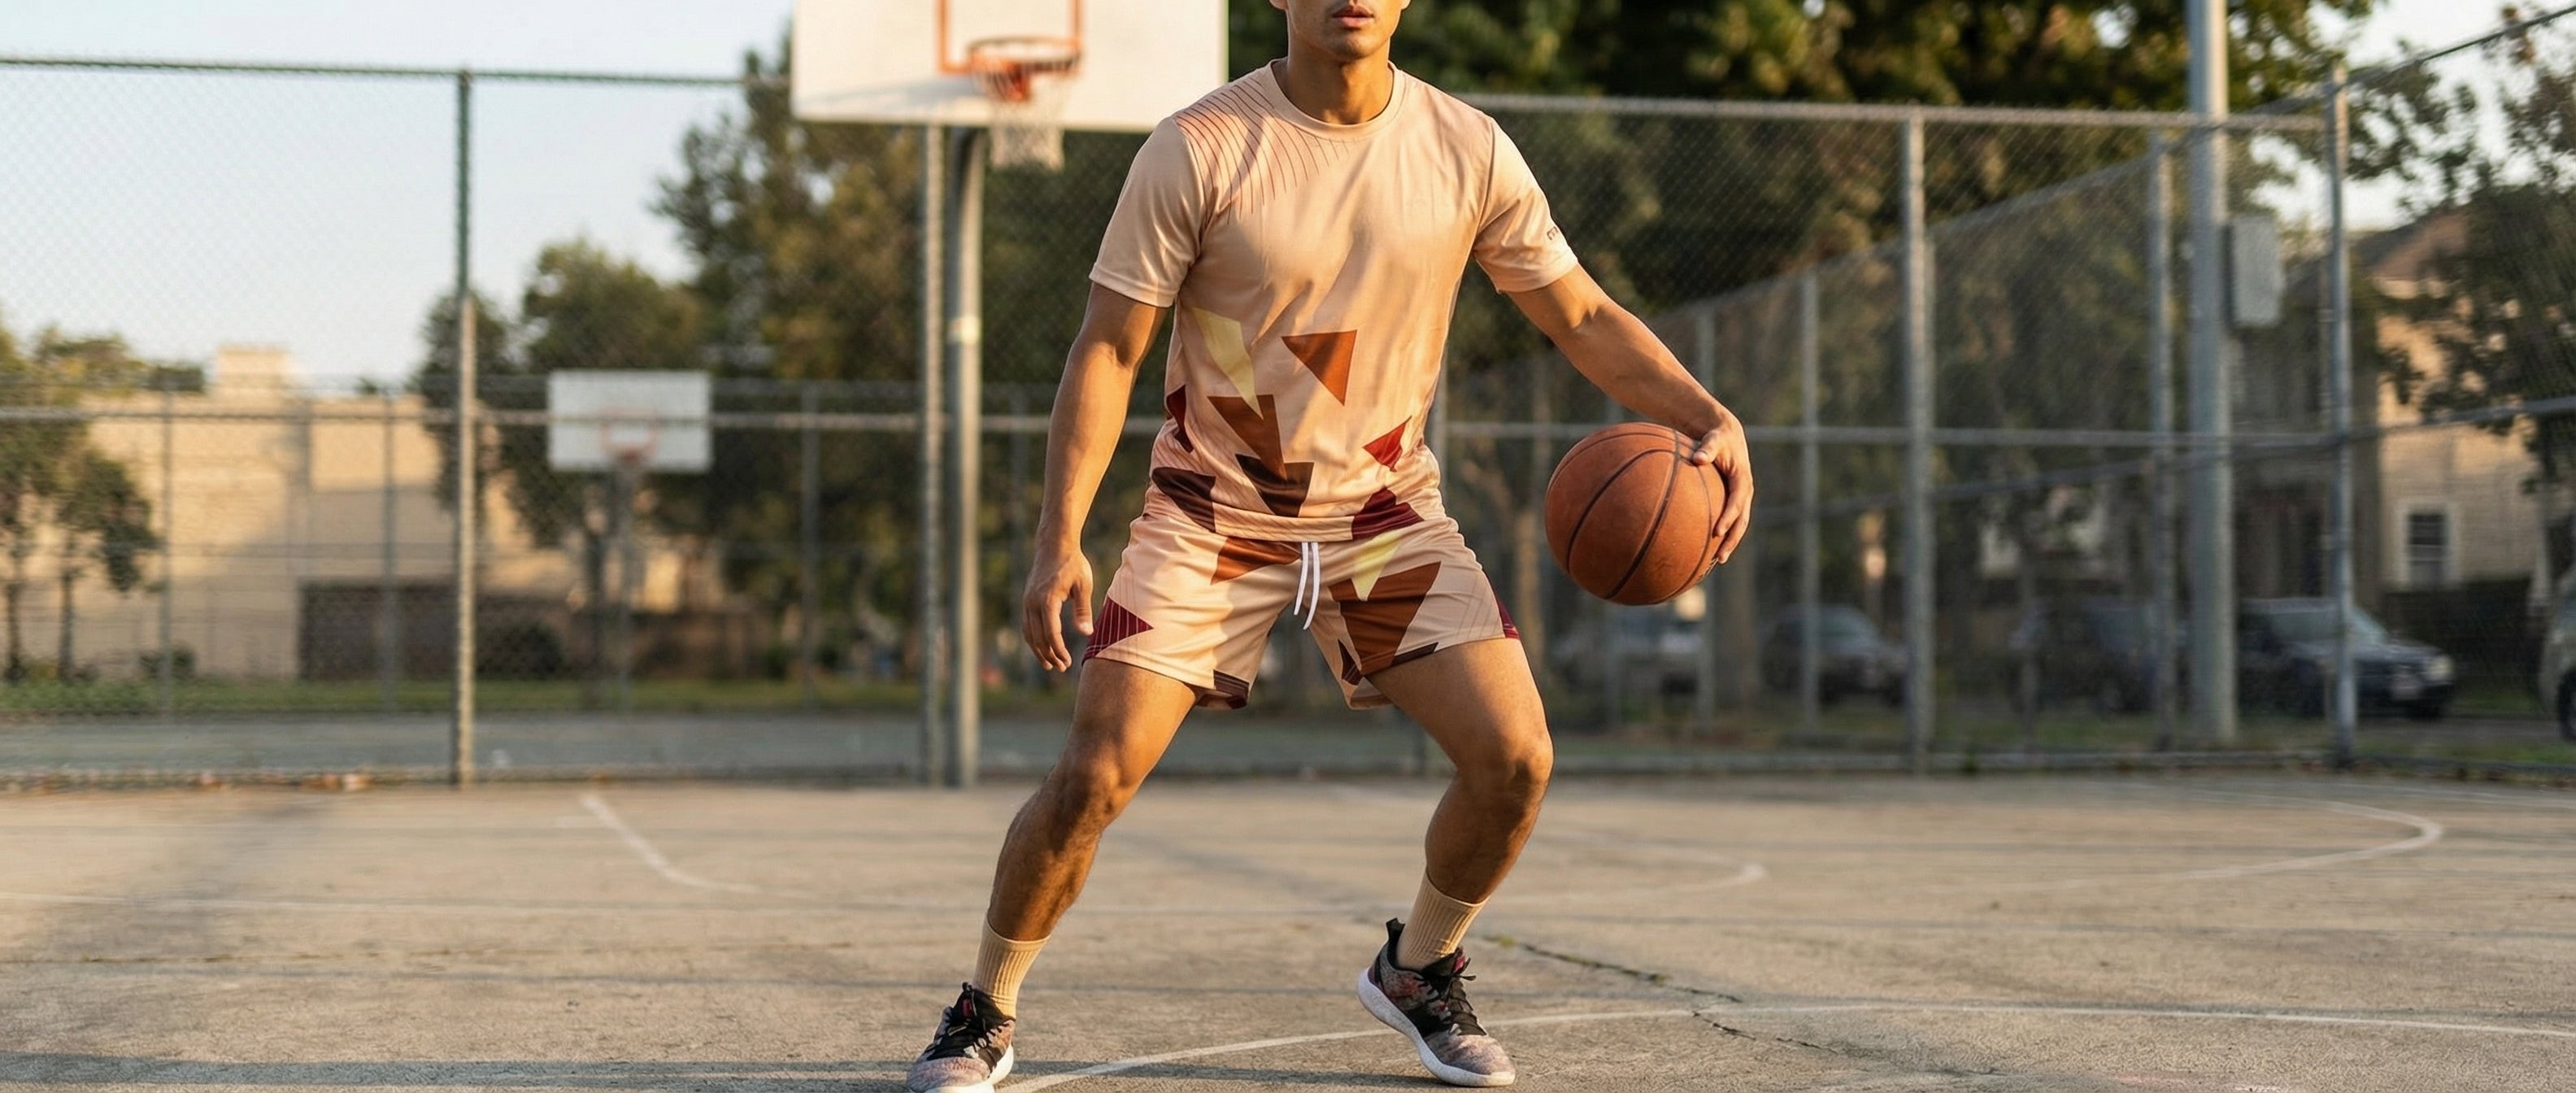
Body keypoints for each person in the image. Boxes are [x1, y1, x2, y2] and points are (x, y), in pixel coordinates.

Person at [906, 0, 1752, 1088]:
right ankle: (987, 1007)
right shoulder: (1202, 146)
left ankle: (1419, 968)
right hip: (1214, 513)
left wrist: (1702, 415)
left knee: (1516, 761)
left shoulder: (1465, 149)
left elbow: (1579, 316)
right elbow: (1112, 347)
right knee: (1095, 775)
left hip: (1379, 521)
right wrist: (1056, 538)